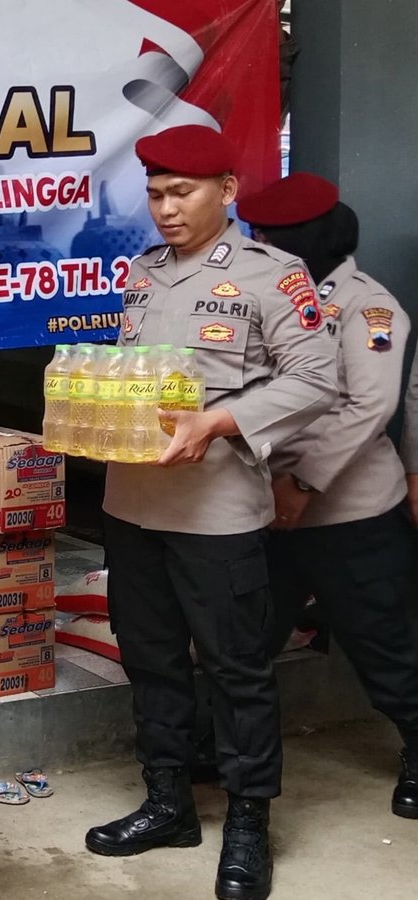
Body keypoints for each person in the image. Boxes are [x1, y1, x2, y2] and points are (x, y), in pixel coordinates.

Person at [86, 125, 338, 900]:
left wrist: (220, 422)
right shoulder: (142, 273)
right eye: (155, 194)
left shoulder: (272, 274)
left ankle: (248, 823)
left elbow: (316, 379)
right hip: (133, 505)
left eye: (181, 193)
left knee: (236, 670)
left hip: (217, 514)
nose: (165, 209)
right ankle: (167, 803)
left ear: (226, 191)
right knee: (151, 659)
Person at [236, 173, 418, 820]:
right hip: (266, 504)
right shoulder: (274, 296)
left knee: (384, 643)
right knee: (247, 640)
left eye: (268, 237)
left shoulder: (368, 309)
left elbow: (370, 406)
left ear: (304, 241)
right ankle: (228, 749)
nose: (257, 245)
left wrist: (303, 483)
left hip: (348, 514)